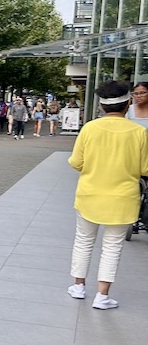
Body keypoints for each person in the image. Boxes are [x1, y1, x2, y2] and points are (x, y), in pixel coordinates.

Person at [67, 80, 148, 310]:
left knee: (83, 241)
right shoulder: (139, 132)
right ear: (127, 104)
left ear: (101, 107)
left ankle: (79, 286)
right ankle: (102, 296)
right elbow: (145, 168)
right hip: (123, 198)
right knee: (112, 246)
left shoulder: (90, 128)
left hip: (90, 195)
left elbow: (76, 162)